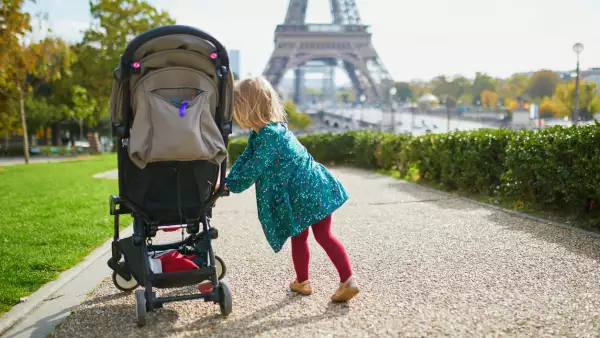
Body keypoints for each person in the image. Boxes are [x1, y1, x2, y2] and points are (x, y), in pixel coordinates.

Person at [220, 76, 359, 302]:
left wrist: (230, 185)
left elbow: (254, 167)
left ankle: (317, 281)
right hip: (316, 187)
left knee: (301, 236)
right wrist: (228, 179)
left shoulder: (269, 137)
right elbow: (247, 158)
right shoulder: (269, 131)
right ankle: (335, 279)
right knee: (323, 235)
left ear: (245, 108)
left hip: (302, 194)